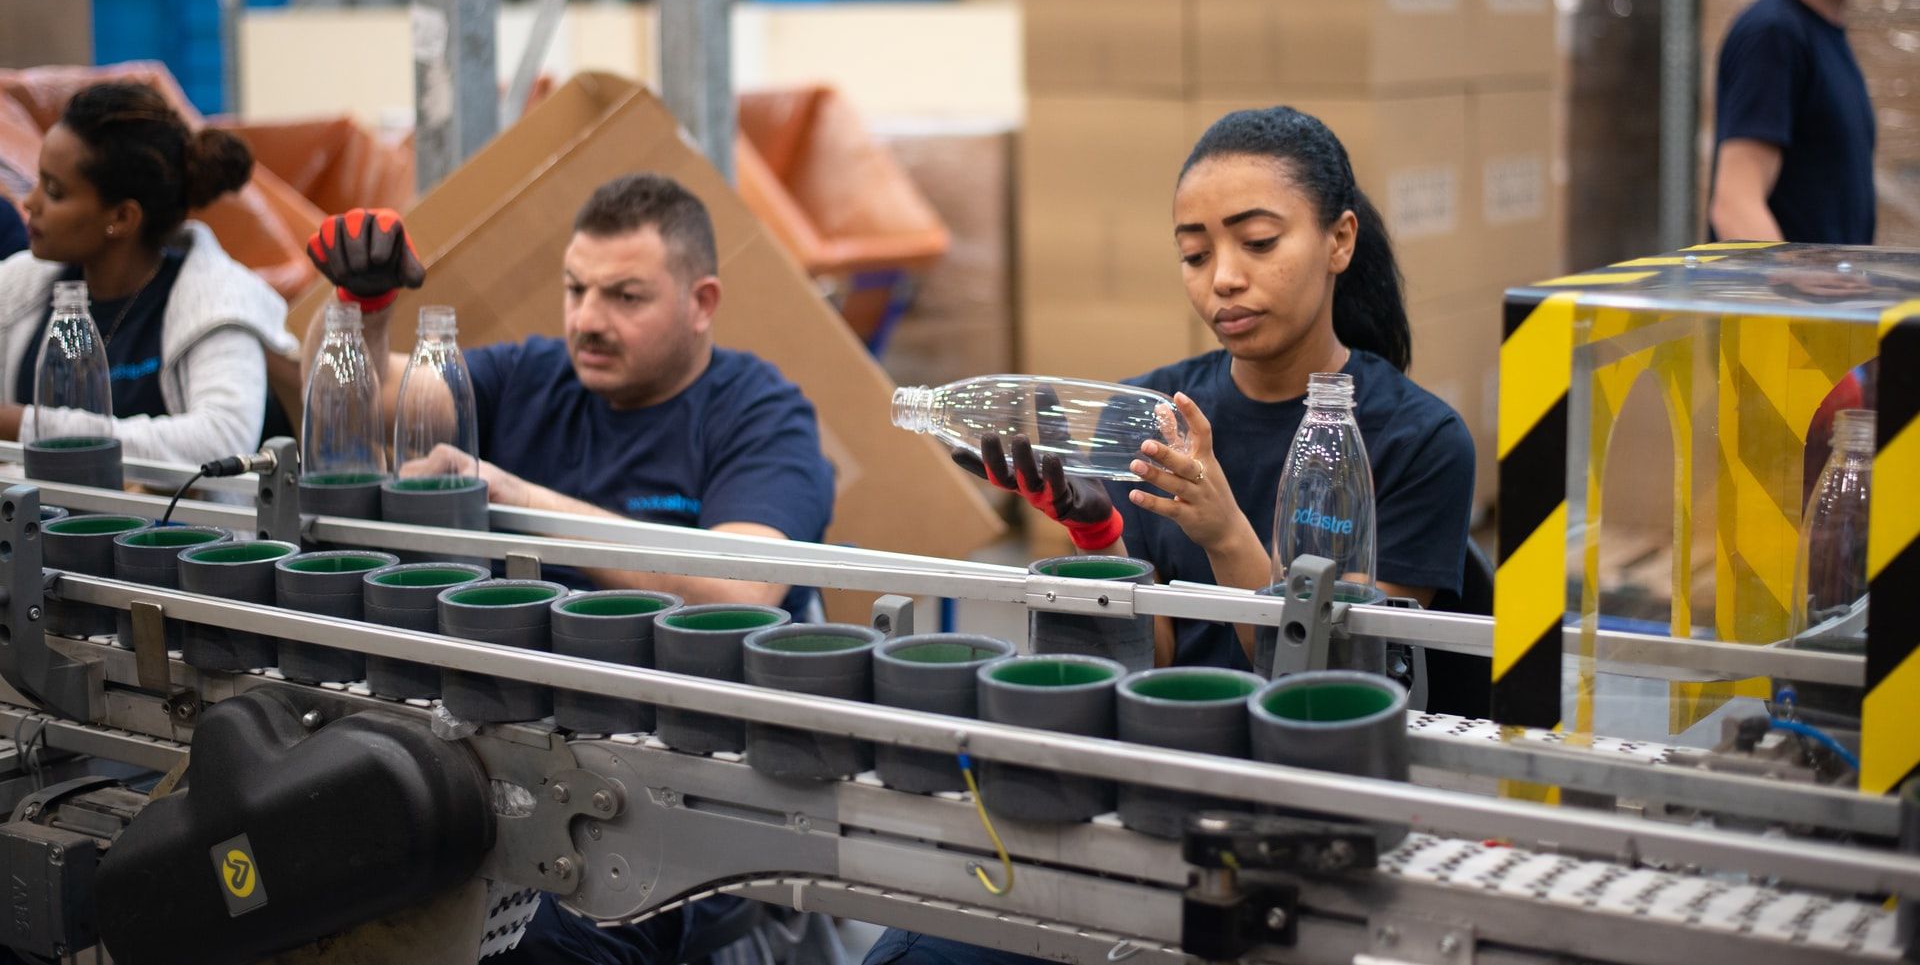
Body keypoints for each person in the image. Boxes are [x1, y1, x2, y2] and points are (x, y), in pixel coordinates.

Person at [863, 107, 1477, 965]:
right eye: (1195, 254)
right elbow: (1144, 653)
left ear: (1339, 240)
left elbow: (1338, 698)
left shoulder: (1415, 440)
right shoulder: (1147, 415)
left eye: (1257, 242)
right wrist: (1096, 530)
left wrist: (1225, 529)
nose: (1222, 278)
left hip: (1303, 818)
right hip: (1155, 782)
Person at [302, 174, 836, 965]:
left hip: (692, 793)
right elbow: (374, 396)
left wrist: (514, 493)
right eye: (576, 289)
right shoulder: (534, 376)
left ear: (702, 301)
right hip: (530, 756)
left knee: (534, 949)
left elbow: (741, 592)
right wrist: (360, 309)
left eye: (625, 296)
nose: (588, 319)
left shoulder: (760, 412)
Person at [0, 81, 294, 462]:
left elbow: (223, 438)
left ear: (122, 217)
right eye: (39, 181)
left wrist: (22, 425)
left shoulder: (217, 300)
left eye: (55, 192)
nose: (30, 202)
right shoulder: (20, 286)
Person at [1709, 0, 1880, 245]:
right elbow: (1734, 206)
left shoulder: (1824, 33)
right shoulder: (1774, 34)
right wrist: (1801, 304)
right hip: (1797, 305)